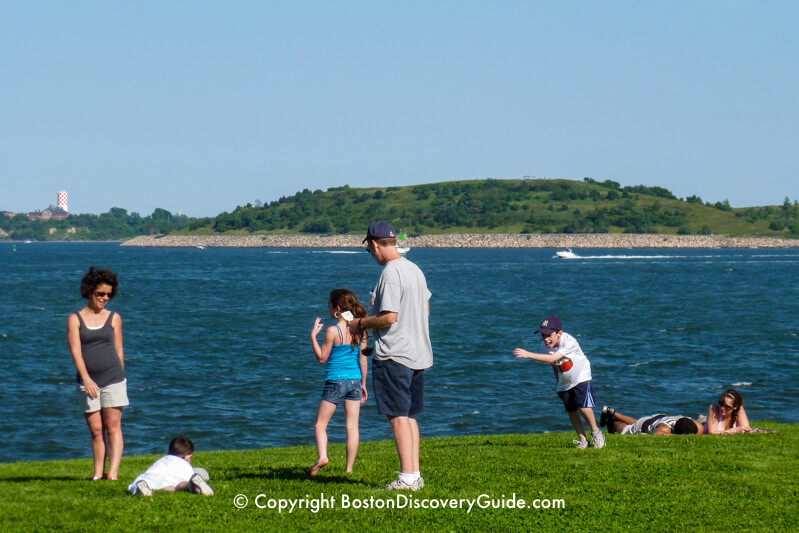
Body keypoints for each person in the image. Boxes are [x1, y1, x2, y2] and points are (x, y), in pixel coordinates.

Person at [348, 221, 433, 490]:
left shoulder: (391, 273)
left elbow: (389, 317)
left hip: (395, 354)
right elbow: (425, 310)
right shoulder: (415, 269)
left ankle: (407, 477)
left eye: (369, 250)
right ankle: (414, 474)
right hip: (418, 352)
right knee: (409, 415)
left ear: (374, 244)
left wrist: (359, 324)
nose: (371, 255)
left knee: (397, 416)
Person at [67, 267, 128, 481]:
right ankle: (97, 473)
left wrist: (120, 375)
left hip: (114, 379)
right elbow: (76, 351)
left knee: (113, 428)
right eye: (100, 294)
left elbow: (119, 351)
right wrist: (86, 379)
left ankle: (112, 474)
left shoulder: (114, 318)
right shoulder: (75, 319)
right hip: (88, 382)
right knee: (96, 430)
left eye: (108, 295)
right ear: (89, 291)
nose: (104, 298)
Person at [513, 316, 605, 449]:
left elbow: (553, 358)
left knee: (583, 406)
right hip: (566, 380)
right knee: (571, 410)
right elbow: (554, 364)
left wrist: (528, 355)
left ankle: (596, 433)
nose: (546, 339)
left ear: (559, 333)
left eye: (549, 335)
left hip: (581, 376)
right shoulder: (545, 346)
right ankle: (583, 440)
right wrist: (559, 382)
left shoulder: (569, 342)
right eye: (543, 335)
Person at [307, 289, 369, 476]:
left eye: (329, 305)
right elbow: (363, 359)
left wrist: (312, 337)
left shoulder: (333, 331)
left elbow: (321, 358)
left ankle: (323, 457)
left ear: (337, 308)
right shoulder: (360, 328)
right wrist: (364, 384)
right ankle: (348, 470)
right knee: (352, 427)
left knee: (320, 425)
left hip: (335, 381)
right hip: (355, 381)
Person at [129, 436, 214, 496]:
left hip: (151, 475)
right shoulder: (184, 465)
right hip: (172, 478)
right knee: (177, 486)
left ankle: (143, 488)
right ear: (188, 457)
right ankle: (190, 484)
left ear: (169, 453)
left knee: (146, 483)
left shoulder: (163, 459)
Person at [599, 406, 704, 435]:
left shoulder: (697, 426)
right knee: (626, 429)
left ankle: (613, 413)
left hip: (658, 418)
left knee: (637, 421)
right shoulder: (665, 427)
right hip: (646, 425)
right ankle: (611, 421)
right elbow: (657, 433)